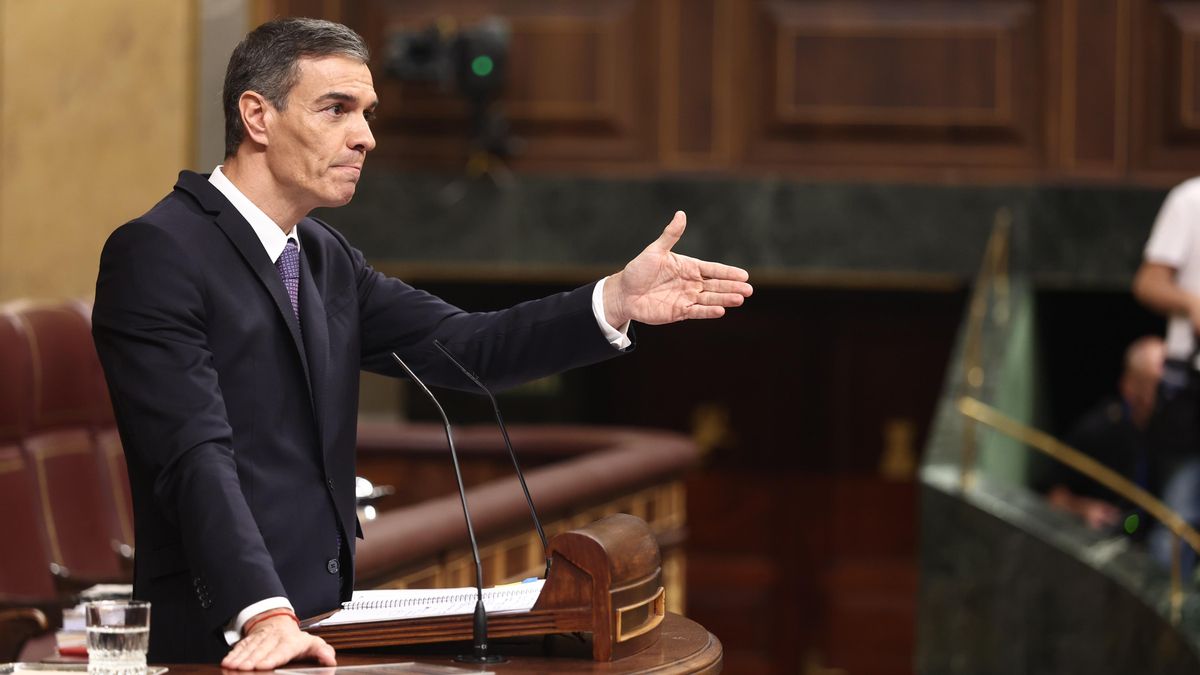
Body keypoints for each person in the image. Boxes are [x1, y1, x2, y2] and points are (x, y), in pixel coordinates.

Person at [91, 18, 753, 669]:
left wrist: (613, 299)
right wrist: (264, 611)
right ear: (258, 117)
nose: (366, 138)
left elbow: (469, 346)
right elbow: (192, 453)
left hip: (323, 630)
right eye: (337, 110)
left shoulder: (324, 256)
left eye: (368, 113)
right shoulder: (159, 252)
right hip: (221, 640)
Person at [1040, 336, 1164, 531]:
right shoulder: (1101, 429)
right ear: (1129, 385)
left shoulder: (1171, 434)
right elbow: (1051, 494)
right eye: (1153, 385)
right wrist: (1083, 509)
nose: (1163, 395)